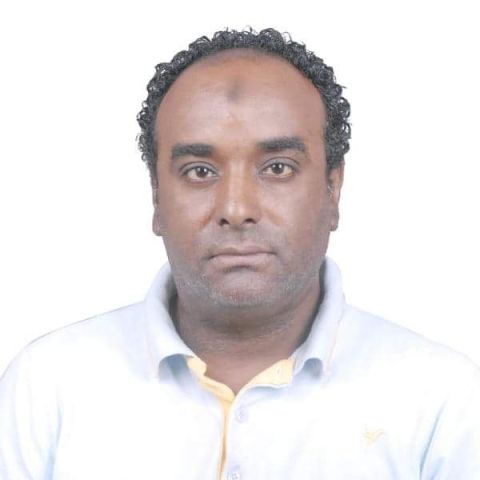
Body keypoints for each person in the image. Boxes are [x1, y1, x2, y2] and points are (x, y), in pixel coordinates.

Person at [0, 27, 479, 480]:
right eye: (200, 171)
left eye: (277, 168)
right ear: (156, 198)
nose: (236, 210)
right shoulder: (47, 386)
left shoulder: (444, 400)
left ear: (332, 190)